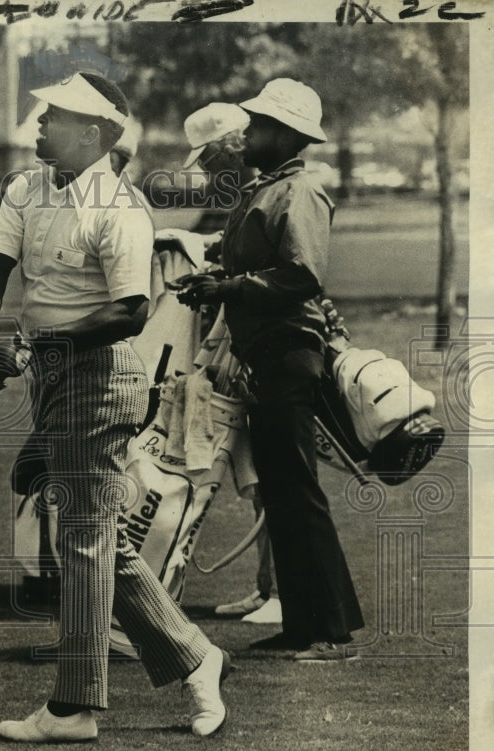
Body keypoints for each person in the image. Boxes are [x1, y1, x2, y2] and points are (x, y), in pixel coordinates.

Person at [0, 71, 231, 742]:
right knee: (97, 537)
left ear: (95, 133)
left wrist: (38, 341)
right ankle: (196, 657)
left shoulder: (120, 206)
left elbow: (129, 311)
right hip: (52, 376)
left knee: (83, 535)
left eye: (52, 116)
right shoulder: (26, 188)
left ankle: (74, 707)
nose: (38, 126)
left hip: (103, 375)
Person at [177, 79, 364, 661]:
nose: (247, 134)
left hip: (288, 355)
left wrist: (227, 285)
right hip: (267, 358)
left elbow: (303, 275)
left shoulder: (299, 191)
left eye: (256, 127)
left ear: (283, 135)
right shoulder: (270, 189)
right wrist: (215, 272)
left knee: (298, 495)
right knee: (283, 496)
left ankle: (332, 632)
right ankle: (305, 626)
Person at [183, 102, 274, 619]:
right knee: (254, 475)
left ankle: (280, 592)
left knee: (268, 475)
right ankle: (267, 587)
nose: (205, 169)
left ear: (233, 147)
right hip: (237, 350)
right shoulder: (238, 195)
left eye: (211, 157)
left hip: (259, 352)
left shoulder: (261, 192)